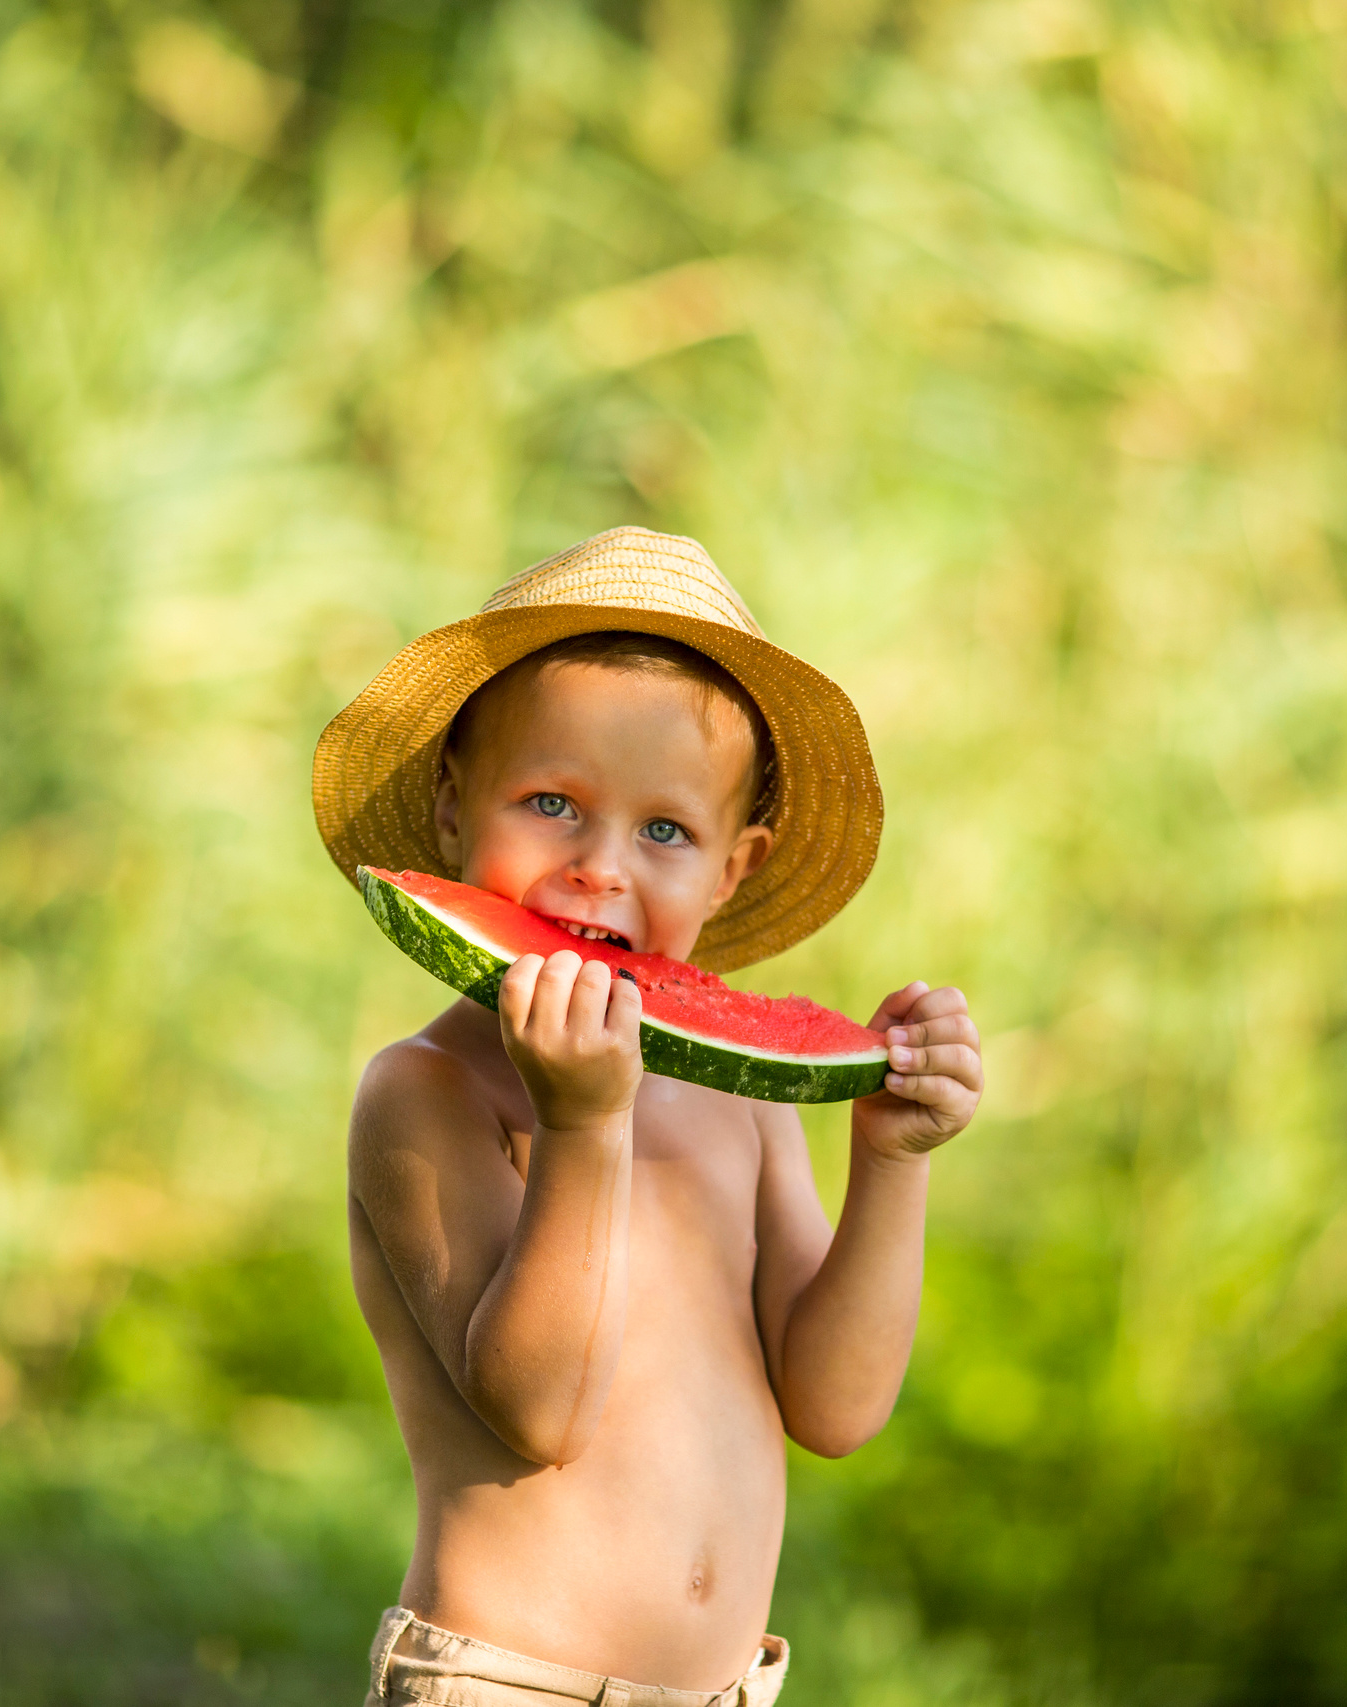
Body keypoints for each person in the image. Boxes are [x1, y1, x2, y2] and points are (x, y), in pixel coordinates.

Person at [311, 527, 983, 1706]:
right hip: (501, 1686)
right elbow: (538, 1410)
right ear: (451, 805)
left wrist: (889, 1161)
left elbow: (834, 1407)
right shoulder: (423, 1095)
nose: (599, 867)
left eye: (664, 829)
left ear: (734, 868)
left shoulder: (739, 1095)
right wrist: (581, 1128)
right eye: (552, 803)